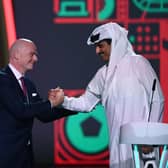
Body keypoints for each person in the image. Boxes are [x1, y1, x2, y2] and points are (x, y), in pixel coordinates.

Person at [61, 22, 164, 167]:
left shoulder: (139, 63)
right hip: (117, 148)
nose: (97, 51)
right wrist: (63, 100)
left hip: (143, 146)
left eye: (101, 45)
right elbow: (86, 103)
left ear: (114, 43)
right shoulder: (103, 74)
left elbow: (157, 100)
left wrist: (150, 137)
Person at [0, 38, 77, 168]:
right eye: (32, 54)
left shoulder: (28, 84)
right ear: (17, 55)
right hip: (6, 156)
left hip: (25, 156)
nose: (36, 59)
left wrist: (75, 106)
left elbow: (44, 115)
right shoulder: (2, 80)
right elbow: (21, 111)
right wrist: (51, 102)